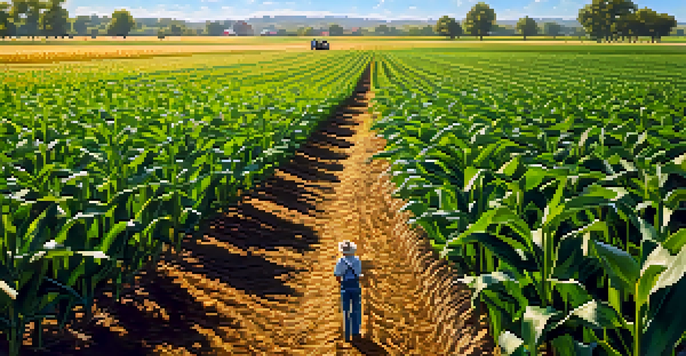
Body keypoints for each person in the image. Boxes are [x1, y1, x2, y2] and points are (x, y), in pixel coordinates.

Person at [333, 240, 363, 342]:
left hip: (345, 285)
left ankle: (346, 334)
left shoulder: (341, 261)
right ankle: (355, 332)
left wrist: (341, 283)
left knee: (346, 310)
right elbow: (359, 274)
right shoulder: (357, 260)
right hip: (355, 284)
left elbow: (337, 275)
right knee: (356, 309)